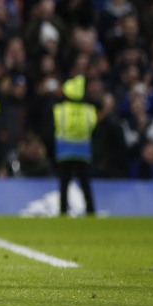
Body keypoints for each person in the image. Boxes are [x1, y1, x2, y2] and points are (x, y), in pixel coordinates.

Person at [53, 75, 97, 215]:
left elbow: (54, 127)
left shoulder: (59, 109)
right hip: (83, 152)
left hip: (65, 151)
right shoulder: (89, 110)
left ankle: (63, 212)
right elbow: (93, 127)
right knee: (85, 184)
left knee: (64, 184)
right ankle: (90, 211)